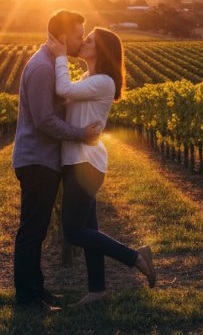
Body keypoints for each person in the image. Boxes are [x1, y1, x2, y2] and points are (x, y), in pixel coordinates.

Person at [47, 26, 156, 307]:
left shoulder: (104, 81)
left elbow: (63, 88)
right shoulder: (89, 78)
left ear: (102, 50)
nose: (84, 41)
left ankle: (136, 257)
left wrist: (60, 55)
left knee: (73, 232)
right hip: (76, 161)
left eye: (91, 40)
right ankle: (97, 290)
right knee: (89, 229)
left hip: (86, 163)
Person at [11, 9, 102, 312]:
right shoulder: (42, 68)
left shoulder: (52, 65)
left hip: (44, 160)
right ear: (63, 37)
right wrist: (80, 134)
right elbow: (44, 120)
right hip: (37, 160)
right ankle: (26, 298)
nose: (80, 41)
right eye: (78, 35)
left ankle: (36, 290)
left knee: (36, 228)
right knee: (32, 230)